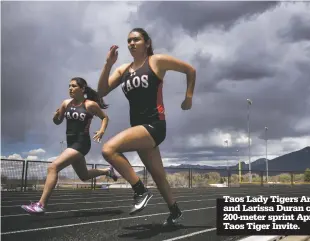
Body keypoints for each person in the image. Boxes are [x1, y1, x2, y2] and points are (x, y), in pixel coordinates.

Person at [97, 28, 196, 226]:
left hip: (154, 125)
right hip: (139, 128)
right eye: (129, 41)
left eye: (136, 39)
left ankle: (140, 191)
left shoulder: (156, 61)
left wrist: (188, 97)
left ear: (147, 43)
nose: (131, 43)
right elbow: (101, 91)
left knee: (108, 149)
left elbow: (190, 70)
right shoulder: (123, 70)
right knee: (159, 176)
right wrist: (108, 64)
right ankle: (175, 212)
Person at [21, 77, 118, 214]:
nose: (70, 88)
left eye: (73, 86)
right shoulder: (66, 103)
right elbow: (57, 122)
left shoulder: (90, 105)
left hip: (82, 143)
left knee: (53, 167)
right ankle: (107, 170)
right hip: (71, 143)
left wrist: (102, 131)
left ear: (82, 89)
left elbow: (105, 117)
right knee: (84, 176)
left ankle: (41, 205)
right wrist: (55, 116)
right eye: (69, 86)